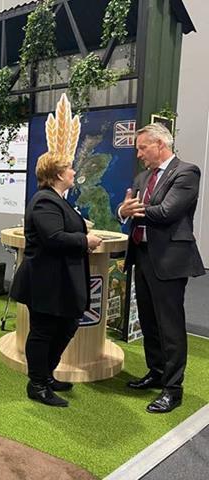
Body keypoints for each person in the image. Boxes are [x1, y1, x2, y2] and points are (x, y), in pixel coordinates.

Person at [10, 94, 102, 407]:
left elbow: (61, 227)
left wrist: (80, 225)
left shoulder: (56, 201)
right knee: (45, 331)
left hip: (56, 280)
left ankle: (46, 375)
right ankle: (37, 385)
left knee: (64, 327)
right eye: (69, 169)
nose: (74, 172)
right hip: (46, 281)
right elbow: (52, 237)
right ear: (58, 174)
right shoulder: (46, 199)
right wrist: (85, 240)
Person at [118, 123, 205, 413]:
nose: (139, 154)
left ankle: (173, 388)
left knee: (170, 326)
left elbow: (168, 212)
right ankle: (156, 373)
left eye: (143, 148)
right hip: (142, 256)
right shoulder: (143, 177)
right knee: (148, 320)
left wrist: (132, 211)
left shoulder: (186, 172)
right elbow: (127, 206)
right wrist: (123, 210)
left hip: (169, 260)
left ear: (160, 144)